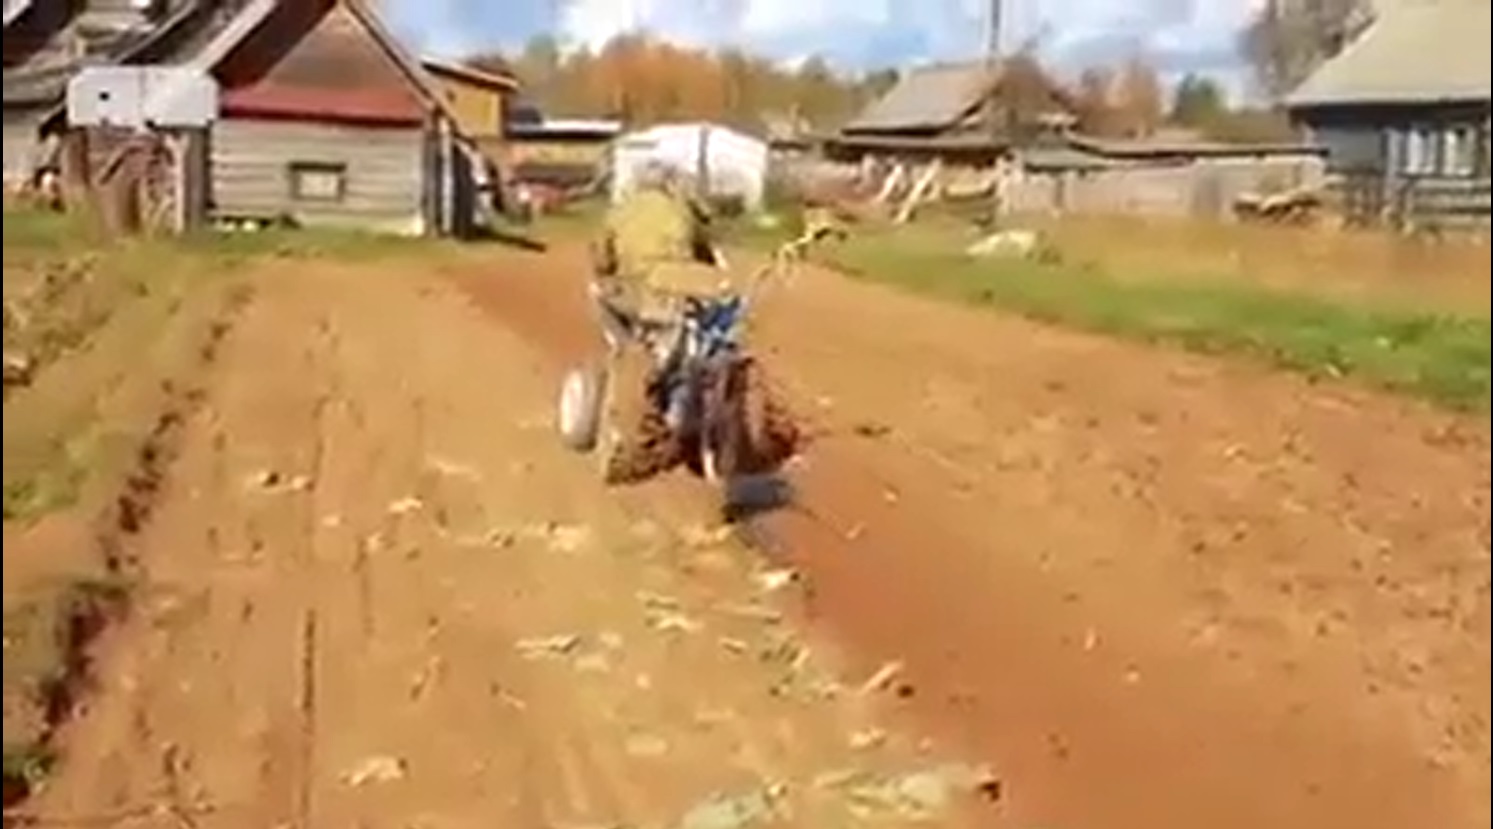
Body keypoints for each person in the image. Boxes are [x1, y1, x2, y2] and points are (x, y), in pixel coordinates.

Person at [589, 163, 729, 483]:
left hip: (638, 294)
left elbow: (602, 262)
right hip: (682, 293)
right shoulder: (683, 209)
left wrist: (607, 275)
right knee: (702, 339)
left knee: (622, 332)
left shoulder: (620, 211)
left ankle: (628, 366)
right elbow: (707, 254)